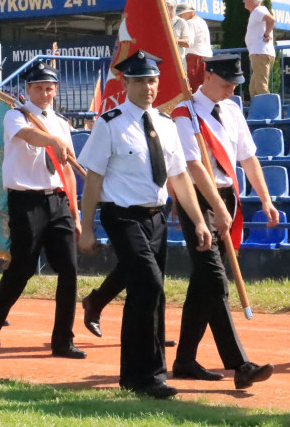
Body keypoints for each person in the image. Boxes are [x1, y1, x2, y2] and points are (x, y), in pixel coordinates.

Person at [77, 50, 213, 399]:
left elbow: (179, 177)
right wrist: (87, 227)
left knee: (151, 291)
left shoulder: (166, 125)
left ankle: (141, 375)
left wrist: (198, 220)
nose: (148, 87)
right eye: (140, 80)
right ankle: (145, 376)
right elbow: (93, 179)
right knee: (149, 283)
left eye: (152, 80)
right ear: (125, 83)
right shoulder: (109, 123)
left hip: (157, 217)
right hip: (121, 215)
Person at [169, 54, 276, 389]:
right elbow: (194, 167)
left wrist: (266, 197)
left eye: (235, 85)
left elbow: (247, 156)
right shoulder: (185, 113)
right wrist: (216, 206)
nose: (231, 90)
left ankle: (185, 360)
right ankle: (240, 364)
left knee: (203, 284)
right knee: (216, 280)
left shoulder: (231, 110)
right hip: (199, 201)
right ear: (209, 76)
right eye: (227, 83)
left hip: (226, 196)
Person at [0, 63, 84, 359]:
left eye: (49, 87)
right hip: (26, 200)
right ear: (27, 90)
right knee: (24, 266)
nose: (44, 92)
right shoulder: (16, 116)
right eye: (38, 87)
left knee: (69, 269)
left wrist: (74, 212)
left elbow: (66, 171)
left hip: (58, 200)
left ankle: (63, 340)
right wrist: (53, 140)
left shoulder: (62, 122)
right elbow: (29, 136)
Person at [243, 0, 276, 97]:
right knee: (254, 88)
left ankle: (267, 112)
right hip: (259, 53)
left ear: (252, 0)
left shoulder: (258, 10)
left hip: (260, 53)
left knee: (261, 87)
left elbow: (271, 20)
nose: (244, 1)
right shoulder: (258, 11)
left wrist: (266, 34)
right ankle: (260, 110)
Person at [180, 4, 213, 92]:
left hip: (194, 59)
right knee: (204, 90)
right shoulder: (201, 21)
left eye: (180, 14)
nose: (180, 17)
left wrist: (174, 41)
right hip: (206, 58)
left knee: (193, 89)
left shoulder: (190, 23)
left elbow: (188, 43)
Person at [167, 0, 190, 67]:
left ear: (171, 8)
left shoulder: (181, 22)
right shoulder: (159, 21)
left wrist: (174, 41)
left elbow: (188, 43)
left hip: (178, 62)